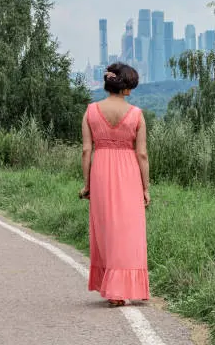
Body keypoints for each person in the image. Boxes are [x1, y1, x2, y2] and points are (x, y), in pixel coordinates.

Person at [80, 62, 151, 307]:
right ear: (127, 88)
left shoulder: (90, 111)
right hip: (128, 172)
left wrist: (86, 184)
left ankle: (114, 290)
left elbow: (86, 150)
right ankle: (130, 286)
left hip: (100, 170)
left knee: (106, 229)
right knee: (129, 230)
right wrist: (145, 187)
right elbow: (142, 154)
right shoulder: (136, 114)